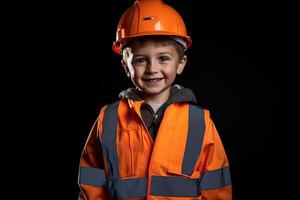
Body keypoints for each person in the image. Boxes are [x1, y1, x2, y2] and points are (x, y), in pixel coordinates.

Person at [78, 0, 232, 199]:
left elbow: (217, 187)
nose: (152, 69)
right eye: (141, 60)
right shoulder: (108, 118)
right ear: (126, 65)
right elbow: (91, 183)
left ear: (180, 63)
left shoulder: (199, 121)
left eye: (163, 58)